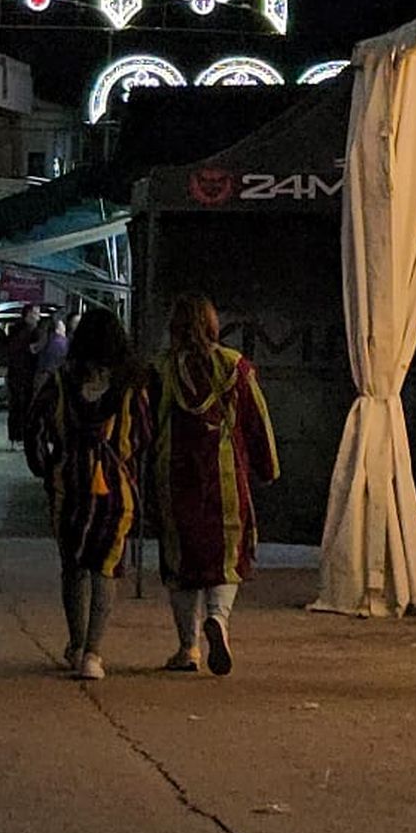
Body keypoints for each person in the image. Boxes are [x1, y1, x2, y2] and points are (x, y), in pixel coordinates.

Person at [149, 291, 277, 679]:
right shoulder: (235, 366)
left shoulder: (161, 370)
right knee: (227, 559)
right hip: (225, 478)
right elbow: (257, 422)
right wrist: (267, 467)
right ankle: (218, 621)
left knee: (180, 561)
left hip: (175, 479)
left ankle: (188, 647)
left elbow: (146, 425)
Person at [25, 306, 152, 682]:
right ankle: (94, 653)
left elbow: (35, 424)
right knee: (107, 567)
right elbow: (143, 435)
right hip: (116, 485)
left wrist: (44, 466)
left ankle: (76, 643)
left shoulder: (62, 380)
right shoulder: (132, 384)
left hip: (69, 484)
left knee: (73, 565)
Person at [5, 306, 43, 446]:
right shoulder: (28, 332)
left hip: (17, 373)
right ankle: (19, 436)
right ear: (28, 315)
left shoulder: (16, 330)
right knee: (22, 406)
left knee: (17, 406)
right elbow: (31, 350)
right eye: (35, 313)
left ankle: (16, 437)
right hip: (24, 374)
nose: (38, 316)